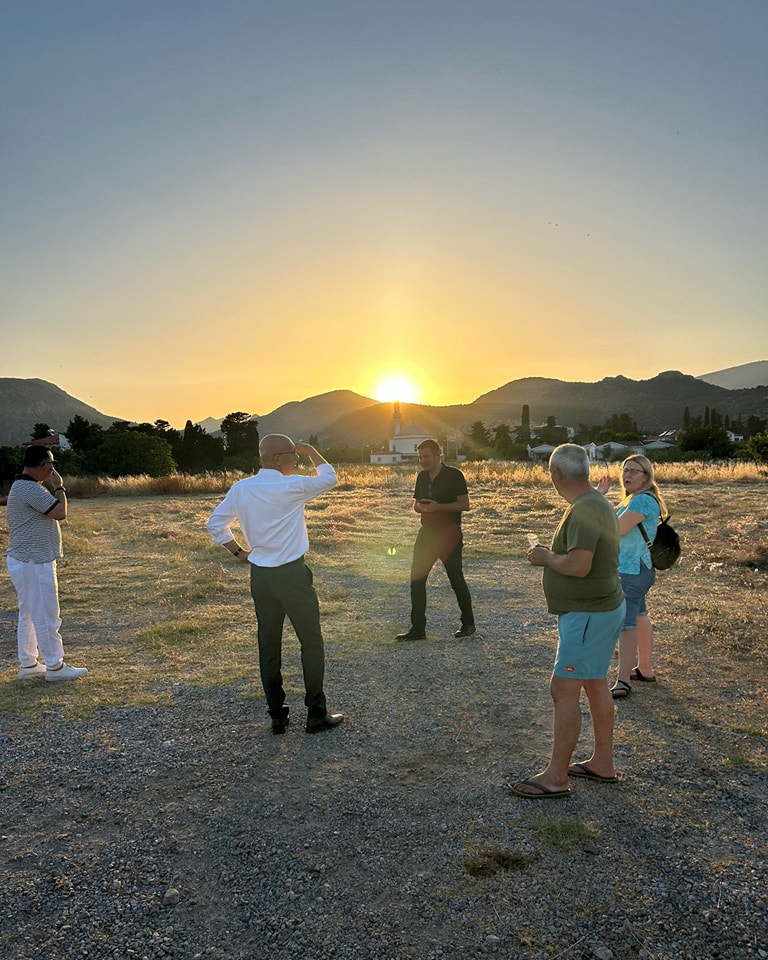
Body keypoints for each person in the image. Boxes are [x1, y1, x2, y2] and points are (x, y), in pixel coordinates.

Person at [206, 434, 343, 734]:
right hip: (292, 575)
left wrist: (240, 553)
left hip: (262, 577)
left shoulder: (242, 489)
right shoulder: (291, 486)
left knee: (268, 645)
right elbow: (330, 477)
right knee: (311, 642)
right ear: (277, 458)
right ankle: (316, 713)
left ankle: (277, 715)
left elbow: (215, 523)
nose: (295, 460)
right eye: (292, 455)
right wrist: (311, 451)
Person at [512, 444, 625, 798]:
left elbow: (579, 565)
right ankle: (602, 763)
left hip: (589, 614)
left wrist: (545, 557)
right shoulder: (594, 502)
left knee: (563, 689)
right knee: (594, 684)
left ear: (555, 475)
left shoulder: (585, 509)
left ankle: (556, 777)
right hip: (600, 609)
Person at [5, 445, 88, 681]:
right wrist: (59, 486)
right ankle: (55, 666)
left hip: (26, 560)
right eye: (51, 464)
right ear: (43, 466)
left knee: (30, 613)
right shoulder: (29, 488)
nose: (52, 469)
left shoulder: (22, 487)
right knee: (46, 613)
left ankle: (29, 664)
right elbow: (60, 511)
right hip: (34, 561)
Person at [597, 454, 664, 698]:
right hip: (632, 567)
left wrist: (597, 500)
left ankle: (623, 680)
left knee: (626, 624)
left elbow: (615, 529)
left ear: (646, 476)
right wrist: (601, 497)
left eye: (635, 471)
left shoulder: (643, 501)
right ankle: (645, 669)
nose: (628, 475)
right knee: (639, 616)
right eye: (625, 470)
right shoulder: (633, 500)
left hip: (632, 569)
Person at [396, 439, 475, 641]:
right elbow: (415, 505)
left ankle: (468, 624)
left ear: (438, 455)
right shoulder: (421, 477)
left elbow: (465, 504)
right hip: (427, 533)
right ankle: (418, 629)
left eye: (426, 457)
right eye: (420, 457)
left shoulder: (454, 475)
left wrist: (438, 507)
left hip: (449, 533)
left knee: (456, 579)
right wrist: (422, 508)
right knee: (417, 580)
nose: (422, 461)